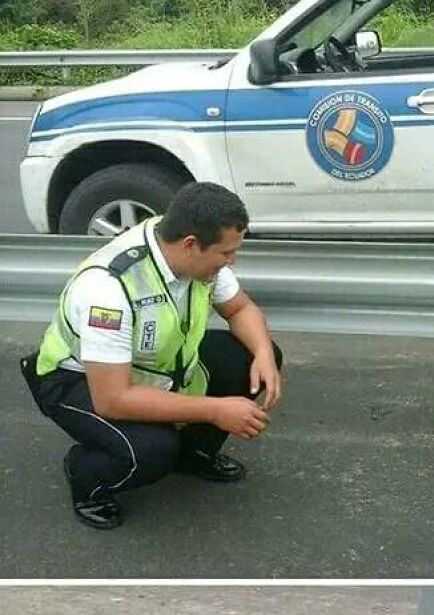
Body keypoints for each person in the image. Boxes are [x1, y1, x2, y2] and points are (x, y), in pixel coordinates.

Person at [20, 182, 283, 529]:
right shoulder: (108, 289)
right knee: (152, 448)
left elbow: (240, 309)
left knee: (252, 357)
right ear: (191, 245)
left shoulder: (185, 246)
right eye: (226, 253)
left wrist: (263, 352)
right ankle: (87, 476)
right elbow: (113, 399)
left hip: (153, 366)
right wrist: (218, 410)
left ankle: (192, 454)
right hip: (76, 380)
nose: (232, 261)